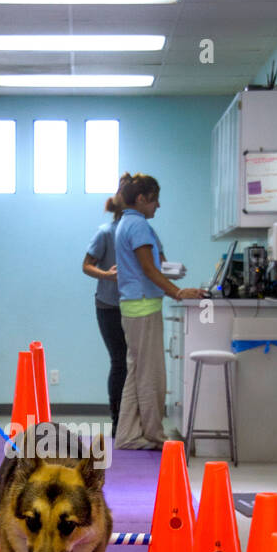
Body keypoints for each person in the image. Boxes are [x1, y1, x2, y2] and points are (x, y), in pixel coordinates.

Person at [112, 172, 202, 450]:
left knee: (136, 372)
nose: (158, 206)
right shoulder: (138, 225)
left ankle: (126, 434)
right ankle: (154, 434)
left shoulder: (125, 222)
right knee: (151, 375)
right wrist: (177, 292)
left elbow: (151, 267)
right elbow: (148, 269)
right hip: (143, 307)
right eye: (155, 200)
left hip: (132, 306)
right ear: (141, 199)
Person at [82, 192, 126, 438]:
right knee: (120, 361)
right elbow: (86, 265)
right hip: (109, 305)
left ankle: (129, 420)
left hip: (134, 305)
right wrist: (107, 275)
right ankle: (118, 420)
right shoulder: (106, 233)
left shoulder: (140, 231)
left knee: (132, 363)